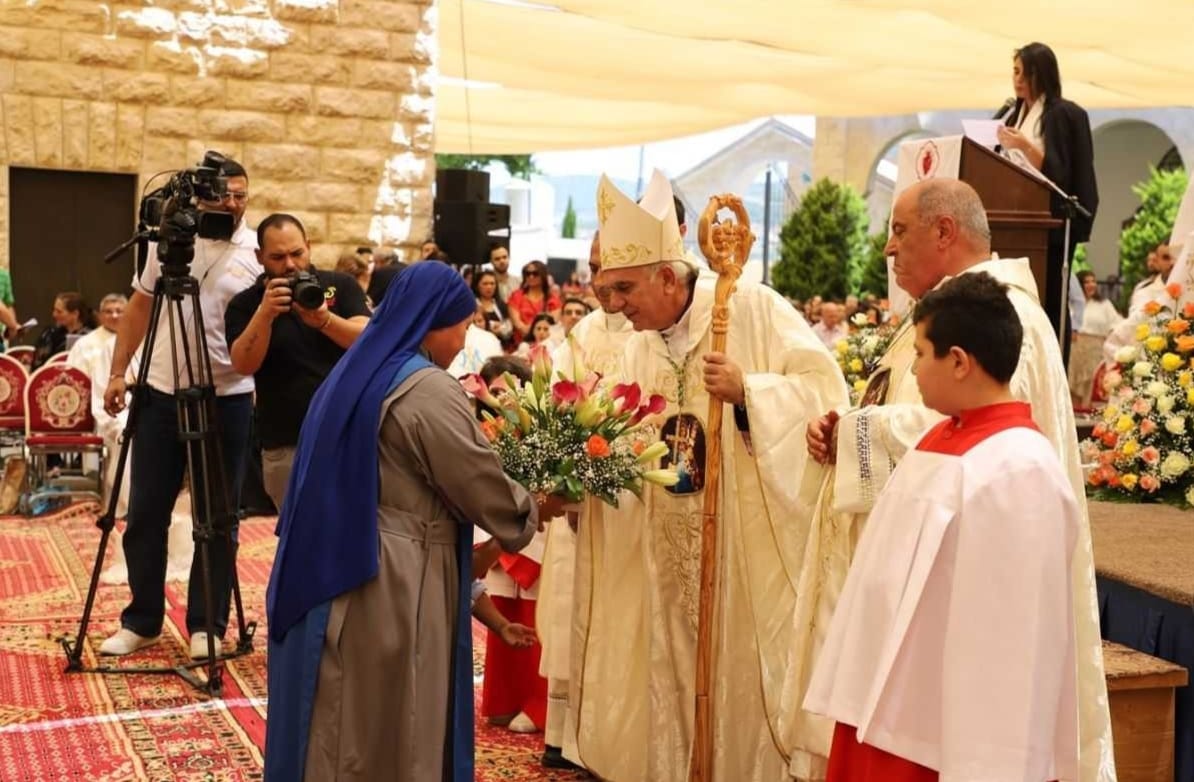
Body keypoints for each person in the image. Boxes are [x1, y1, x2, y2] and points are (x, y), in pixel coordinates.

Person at [793, 179, 1115, 782]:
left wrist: (859, 433)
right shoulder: (951, 337)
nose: (888, 248)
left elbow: (1001, 634)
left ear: (944, 231)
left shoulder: (1000, 319)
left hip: (951, 710)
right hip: (900, 692)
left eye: (898, 230)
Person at [576, 170, 849, 780]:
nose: (615, 305)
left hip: (739, 553)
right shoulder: (638, 345)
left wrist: (751, 392)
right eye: (608, 290)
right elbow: (623, 432)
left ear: (668, 277)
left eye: (624, 289)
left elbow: (826, 392)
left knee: (735, 681)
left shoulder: (748, 307)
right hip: (664, 554)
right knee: (667, 677)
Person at [263, 262, 546, 782]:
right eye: (462, 326)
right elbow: (477, 482)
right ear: (432, 322)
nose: (463, 342)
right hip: (391, 572)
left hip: (330, 561)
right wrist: (534, 507)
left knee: (339, 711)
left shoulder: (352, 371)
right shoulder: (427, 388)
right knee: (392, 721)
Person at [99, 154, 261, 660]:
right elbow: (139, 307)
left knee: (217, 518)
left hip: (227, 398)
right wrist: (118, 371)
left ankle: (206, 624)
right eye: (222, 194)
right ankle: (142, 619)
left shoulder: (255, 250)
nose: (231, 204)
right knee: (146, 513)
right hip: (160, 392)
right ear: (202, 195)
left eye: (240, 195)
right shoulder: (171, 239)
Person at [541, 231, 634, 772]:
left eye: (608, 269)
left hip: (626, 502)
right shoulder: (584, 332)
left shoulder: (651, 330)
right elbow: (556, 406)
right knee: (569, 607)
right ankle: (564, 734)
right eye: (593, 268)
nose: (599, 282)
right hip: (578, 501)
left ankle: (607, 737)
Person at [225, 214, 371, 511]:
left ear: (309, 246)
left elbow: (369, 340)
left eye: (297, 253)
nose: (290, 264)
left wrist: (325, 321)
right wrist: (265, 314)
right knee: (298, 535)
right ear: (260, 257)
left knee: (354, 528)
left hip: (348, 436)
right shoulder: (246, 304)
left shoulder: (339, 286)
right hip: (286, 445)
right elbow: (243, 364)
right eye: (277, 257)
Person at [996, 41, 1099, 341]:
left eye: (1022, 72)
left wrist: (1024, 146)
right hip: (1013, 216)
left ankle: (1053, 360)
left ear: (1040, 74)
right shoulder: (1013, 115)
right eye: (1014, 72)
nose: (1016, 79)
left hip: (1049, 221)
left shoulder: (1062, 114)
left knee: (1049, 299)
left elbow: (1060, 172)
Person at [1069, 270, 1122, 407]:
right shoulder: (1070, 304)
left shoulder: (1104, 304)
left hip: (1095, 350)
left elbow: (1116, 325)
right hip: (1074, 348)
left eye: (1093, 281)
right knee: (1072, 383)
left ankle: (1087, 412)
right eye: (1087, 282)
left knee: (1091, 383)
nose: (1091, 284)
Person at [33, 291, 94, 368]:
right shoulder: (49, 334)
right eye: (54, 310)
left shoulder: (91, 337)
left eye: (59, 312)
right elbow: (38, 366)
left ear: (75, 314)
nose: (54, 314)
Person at [507, 260, 562, 343]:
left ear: (543, 275)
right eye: (527, 273)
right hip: (520, 343)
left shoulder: (553, 300)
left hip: (545, 344)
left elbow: (552, 325)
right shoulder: (516, 296)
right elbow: (517, 324)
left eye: (535, 273)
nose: (531, 276)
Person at [473, 269, 514, 347]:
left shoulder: (501, 305)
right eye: (485, 284)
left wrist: (501, 329)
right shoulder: (471, 305)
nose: (489, 287)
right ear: (477, 286)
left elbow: (509, 329)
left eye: (492, 283)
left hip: (499, 345)